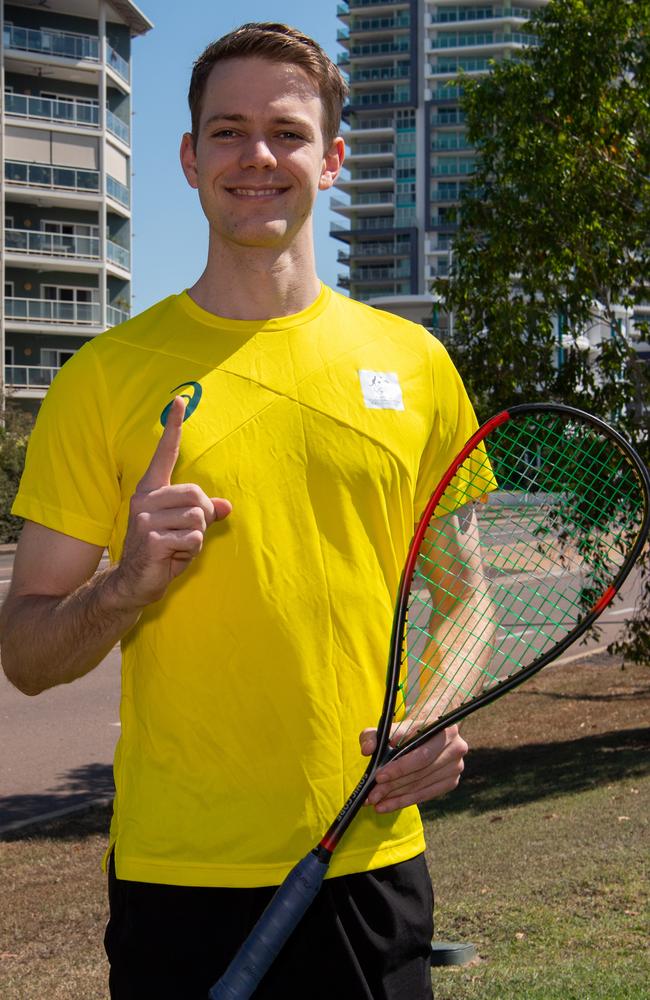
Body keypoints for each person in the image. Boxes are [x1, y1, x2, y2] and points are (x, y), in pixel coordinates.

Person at [0, 23, 477, 1000]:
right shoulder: (104, 378)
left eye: (286, 132)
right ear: (187, 156)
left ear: (333, 158)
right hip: (178, 881)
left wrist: (437, 712)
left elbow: (463, 598)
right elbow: (26, 653)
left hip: (367, 864)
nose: (256, 156)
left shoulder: (414, 366)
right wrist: (125, 585)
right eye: (227, 130)